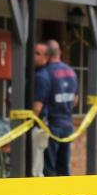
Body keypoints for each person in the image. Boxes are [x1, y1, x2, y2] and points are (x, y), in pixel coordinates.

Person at [33, 39, 78, 177]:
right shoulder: (71, 72)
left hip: (50, 126)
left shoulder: (44, 73)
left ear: (47, 54)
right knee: (63, 167)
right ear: (60, 52)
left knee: (48, 169)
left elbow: (38, 106)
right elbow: (75, 100)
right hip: (67, 124)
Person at [29, 42, 51, 177]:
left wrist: (27, 125)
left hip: (36, 127)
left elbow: (37, 107)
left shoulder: (41, 77)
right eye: (33, 52)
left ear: (46, 58)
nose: (33, 56)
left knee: (35, 169)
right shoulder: (35, 74)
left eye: (38, 54)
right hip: (37, 126)